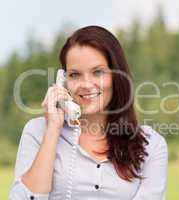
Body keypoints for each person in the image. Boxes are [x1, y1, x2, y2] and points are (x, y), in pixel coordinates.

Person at [9, 25, 168, 200]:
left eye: (97, 72)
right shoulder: (37, 131)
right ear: (63, 80)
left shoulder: (151, 145)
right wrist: (53, 130)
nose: (85, 84)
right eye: (75, 75)